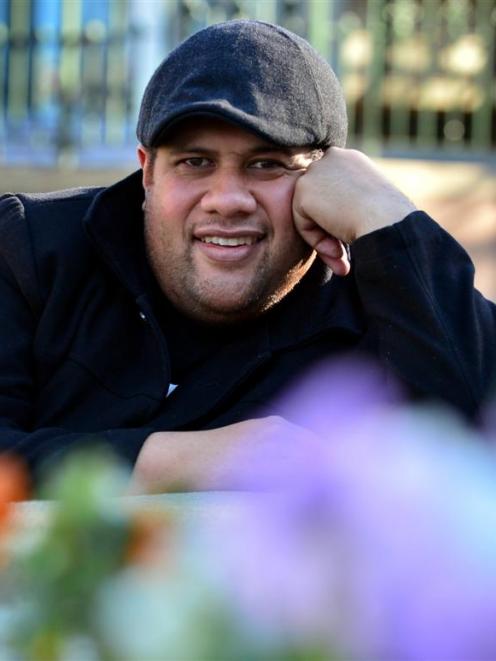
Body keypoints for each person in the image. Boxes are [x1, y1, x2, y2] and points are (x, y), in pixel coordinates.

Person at [0, 20, 495, 493]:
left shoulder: (380, 300)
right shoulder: (29, 250)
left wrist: (383, 212)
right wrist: (190, 459)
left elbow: (474, 458)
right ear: (147, 174)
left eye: (267, 165)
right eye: (195, 162)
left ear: (327, 182)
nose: (228, 199)